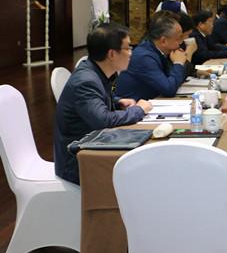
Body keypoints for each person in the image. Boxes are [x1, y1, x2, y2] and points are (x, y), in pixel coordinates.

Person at [54, 24, 152, 185]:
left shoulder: (95, 71)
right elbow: (103, 120)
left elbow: (95, 102)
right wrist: (138, 110)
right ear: (112, 54)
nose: (131, 53)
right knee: (142, 172)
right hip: (78, 161)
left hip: (93, 146)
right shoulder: (86, 81)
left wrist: (117, 102)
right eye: (128, 48)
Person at [115, 13, 188, 100]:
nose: (180, 43)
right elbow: (169, 89)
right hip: (130, 105)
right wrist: (178, 63)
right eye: (178, 39)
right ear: (163, 41)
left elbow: (179, 78)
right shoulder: (144, 57)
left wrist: (179, 63)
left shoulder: (160, 51)